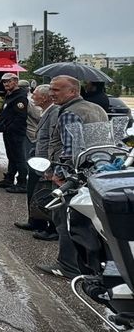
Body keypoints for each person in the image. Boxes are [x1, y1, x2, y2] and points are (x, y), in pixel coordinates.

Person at [38, 75, 108, 279]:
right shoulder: (97, 109)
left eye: (57, 90)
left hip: (72, 179)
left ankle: (67, 265)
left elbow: (70, 151)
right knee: (86, 223)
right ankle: (89, 264)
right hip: (94, 175)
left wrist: (60, 176)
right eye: (51, 89)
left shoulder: (69, 112)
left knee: (65, 221)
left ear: (73, 91)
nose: (52, 93)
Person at [14, 84, 58, 239]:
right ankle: (36, 221)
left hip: (46, 161)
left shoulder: (54, 112)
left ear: (44, 98)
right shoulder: (46, 111)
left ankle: (51, 227)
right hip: (38, 158)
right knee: (34, 191)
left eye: (35, 95)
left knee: (46, 193)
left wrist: (48, 164)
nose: (32, 97)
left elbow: (53, 139)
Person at [0, 73, 29, 193]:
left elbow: (20, 117)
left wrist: (10, 127)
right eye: (4, 82)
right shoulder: (10, 95)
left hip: (16, 132)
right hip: (8, 131)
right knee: (11, 157)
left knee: (19, 158)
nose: (6, 84)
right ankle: (9, 179)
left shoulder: (20, 97)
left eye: (9, 81)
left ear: (16, 82)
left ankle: (22, 183)